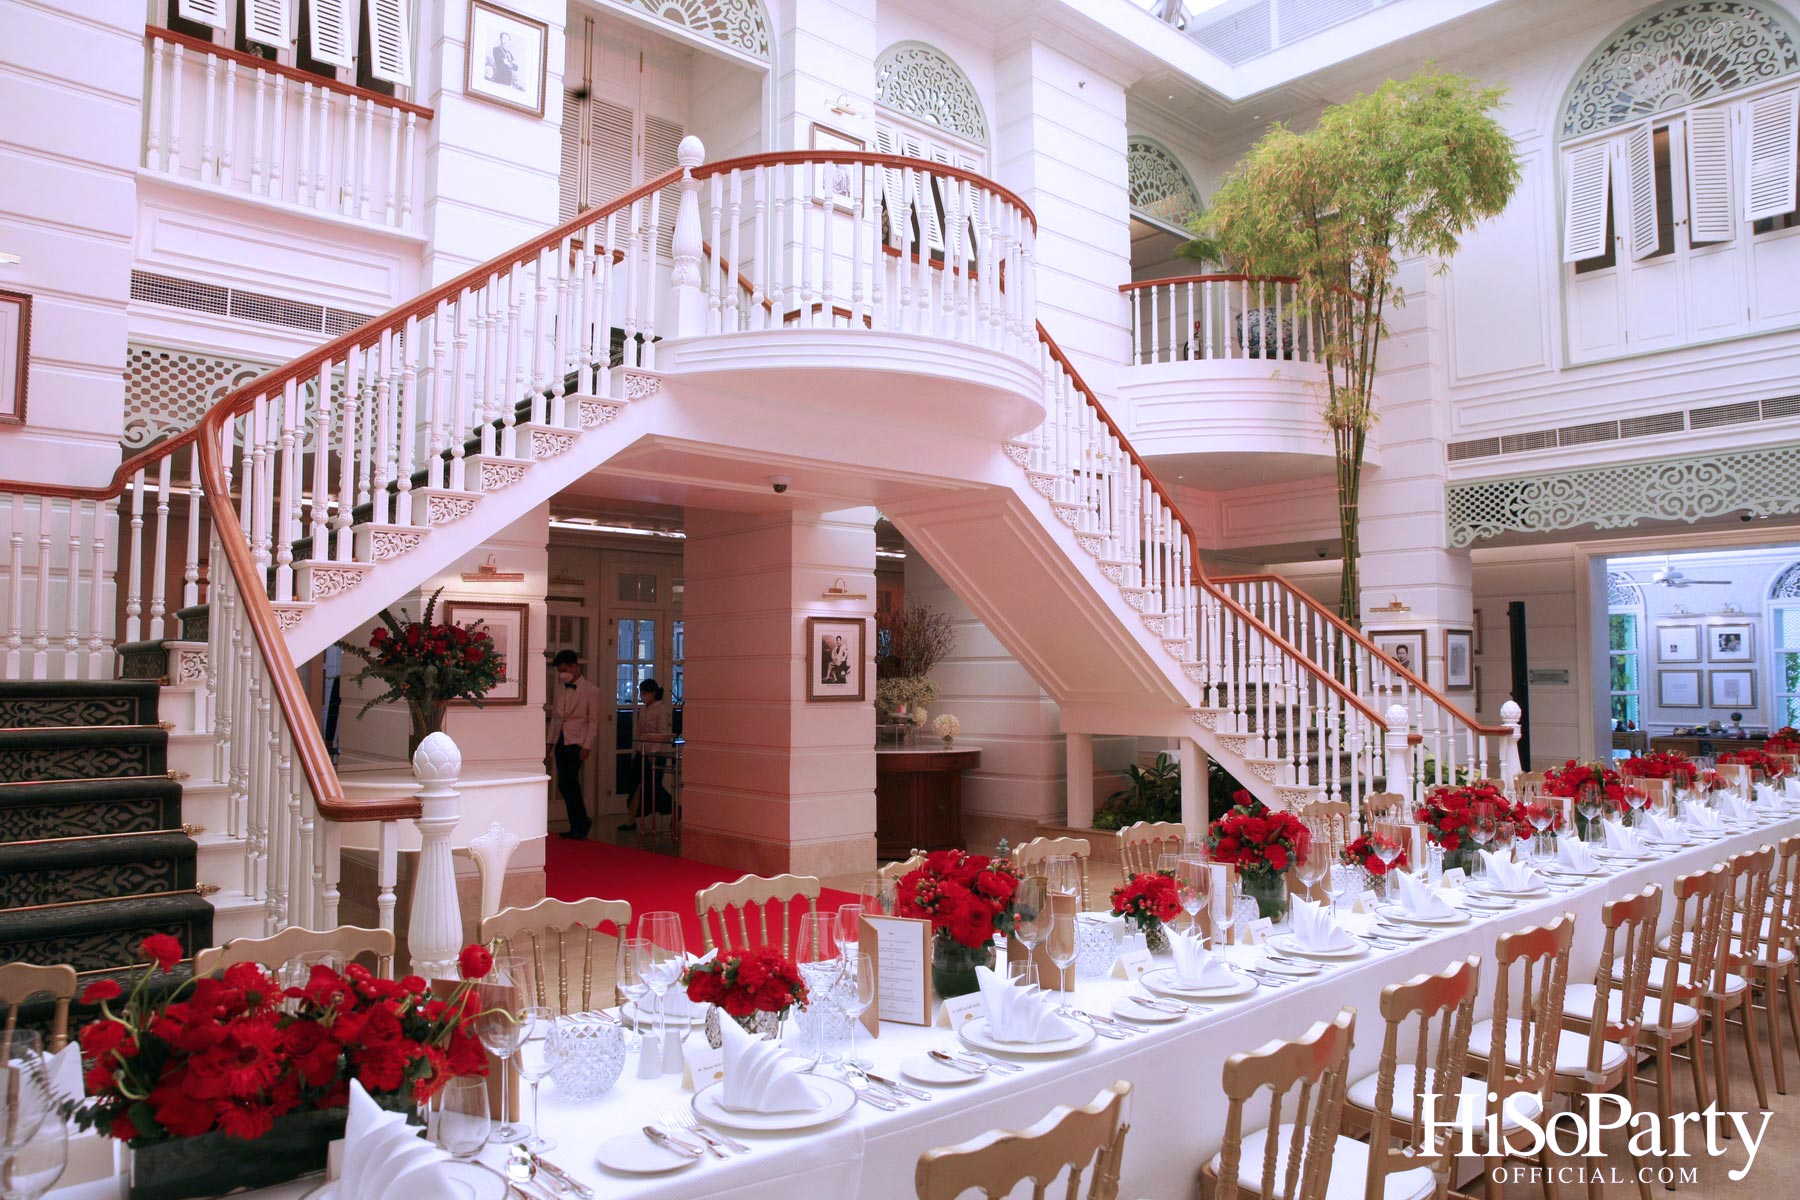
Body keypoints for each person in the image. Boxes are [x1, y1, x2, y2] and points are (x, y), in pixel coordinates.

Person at [546, 650, 601, 840]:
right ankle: (579, 823)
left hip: (577, 741)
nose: (562, 674)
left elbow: (593, 721)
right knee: (566, 784)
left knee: (568, 782)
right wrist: (549, 743)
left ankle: (580, 822)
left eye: (565, 670)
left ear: (575, 667)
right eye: (560, 671)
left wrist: (587, 745)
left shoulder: (591, 690)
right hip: (561, 740)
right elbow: (556, 717)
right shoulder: (561, 687)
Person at [622, 678, 676, 831]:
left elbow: (663, 734)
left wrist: (653, 752)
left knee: (652, 787)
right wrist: (635, 751)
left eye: (645, 693)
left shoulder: (661, 710)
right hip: (642, 751)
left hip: (655, 754)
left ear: (653, 693)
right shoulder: (643, 709)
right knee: (634, 786)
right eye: (641, 693)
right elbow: (640, 732)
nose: (642, 695)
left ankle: (675, 809)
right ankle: (631, 820)